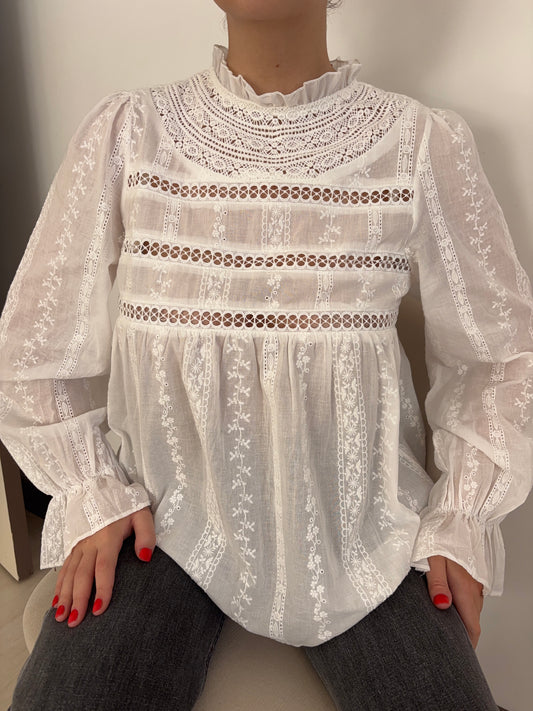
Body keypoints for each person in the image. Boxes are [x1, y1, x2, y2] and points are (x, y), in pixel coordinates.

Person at [1, 1, 531, 709]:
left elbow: (498, 359)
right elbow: (36, 343)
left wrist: (463, 517)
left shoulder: (420, 145)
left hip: (367, 533)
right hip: (159, 522)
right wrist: (89, 490)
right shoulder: (128, 133)